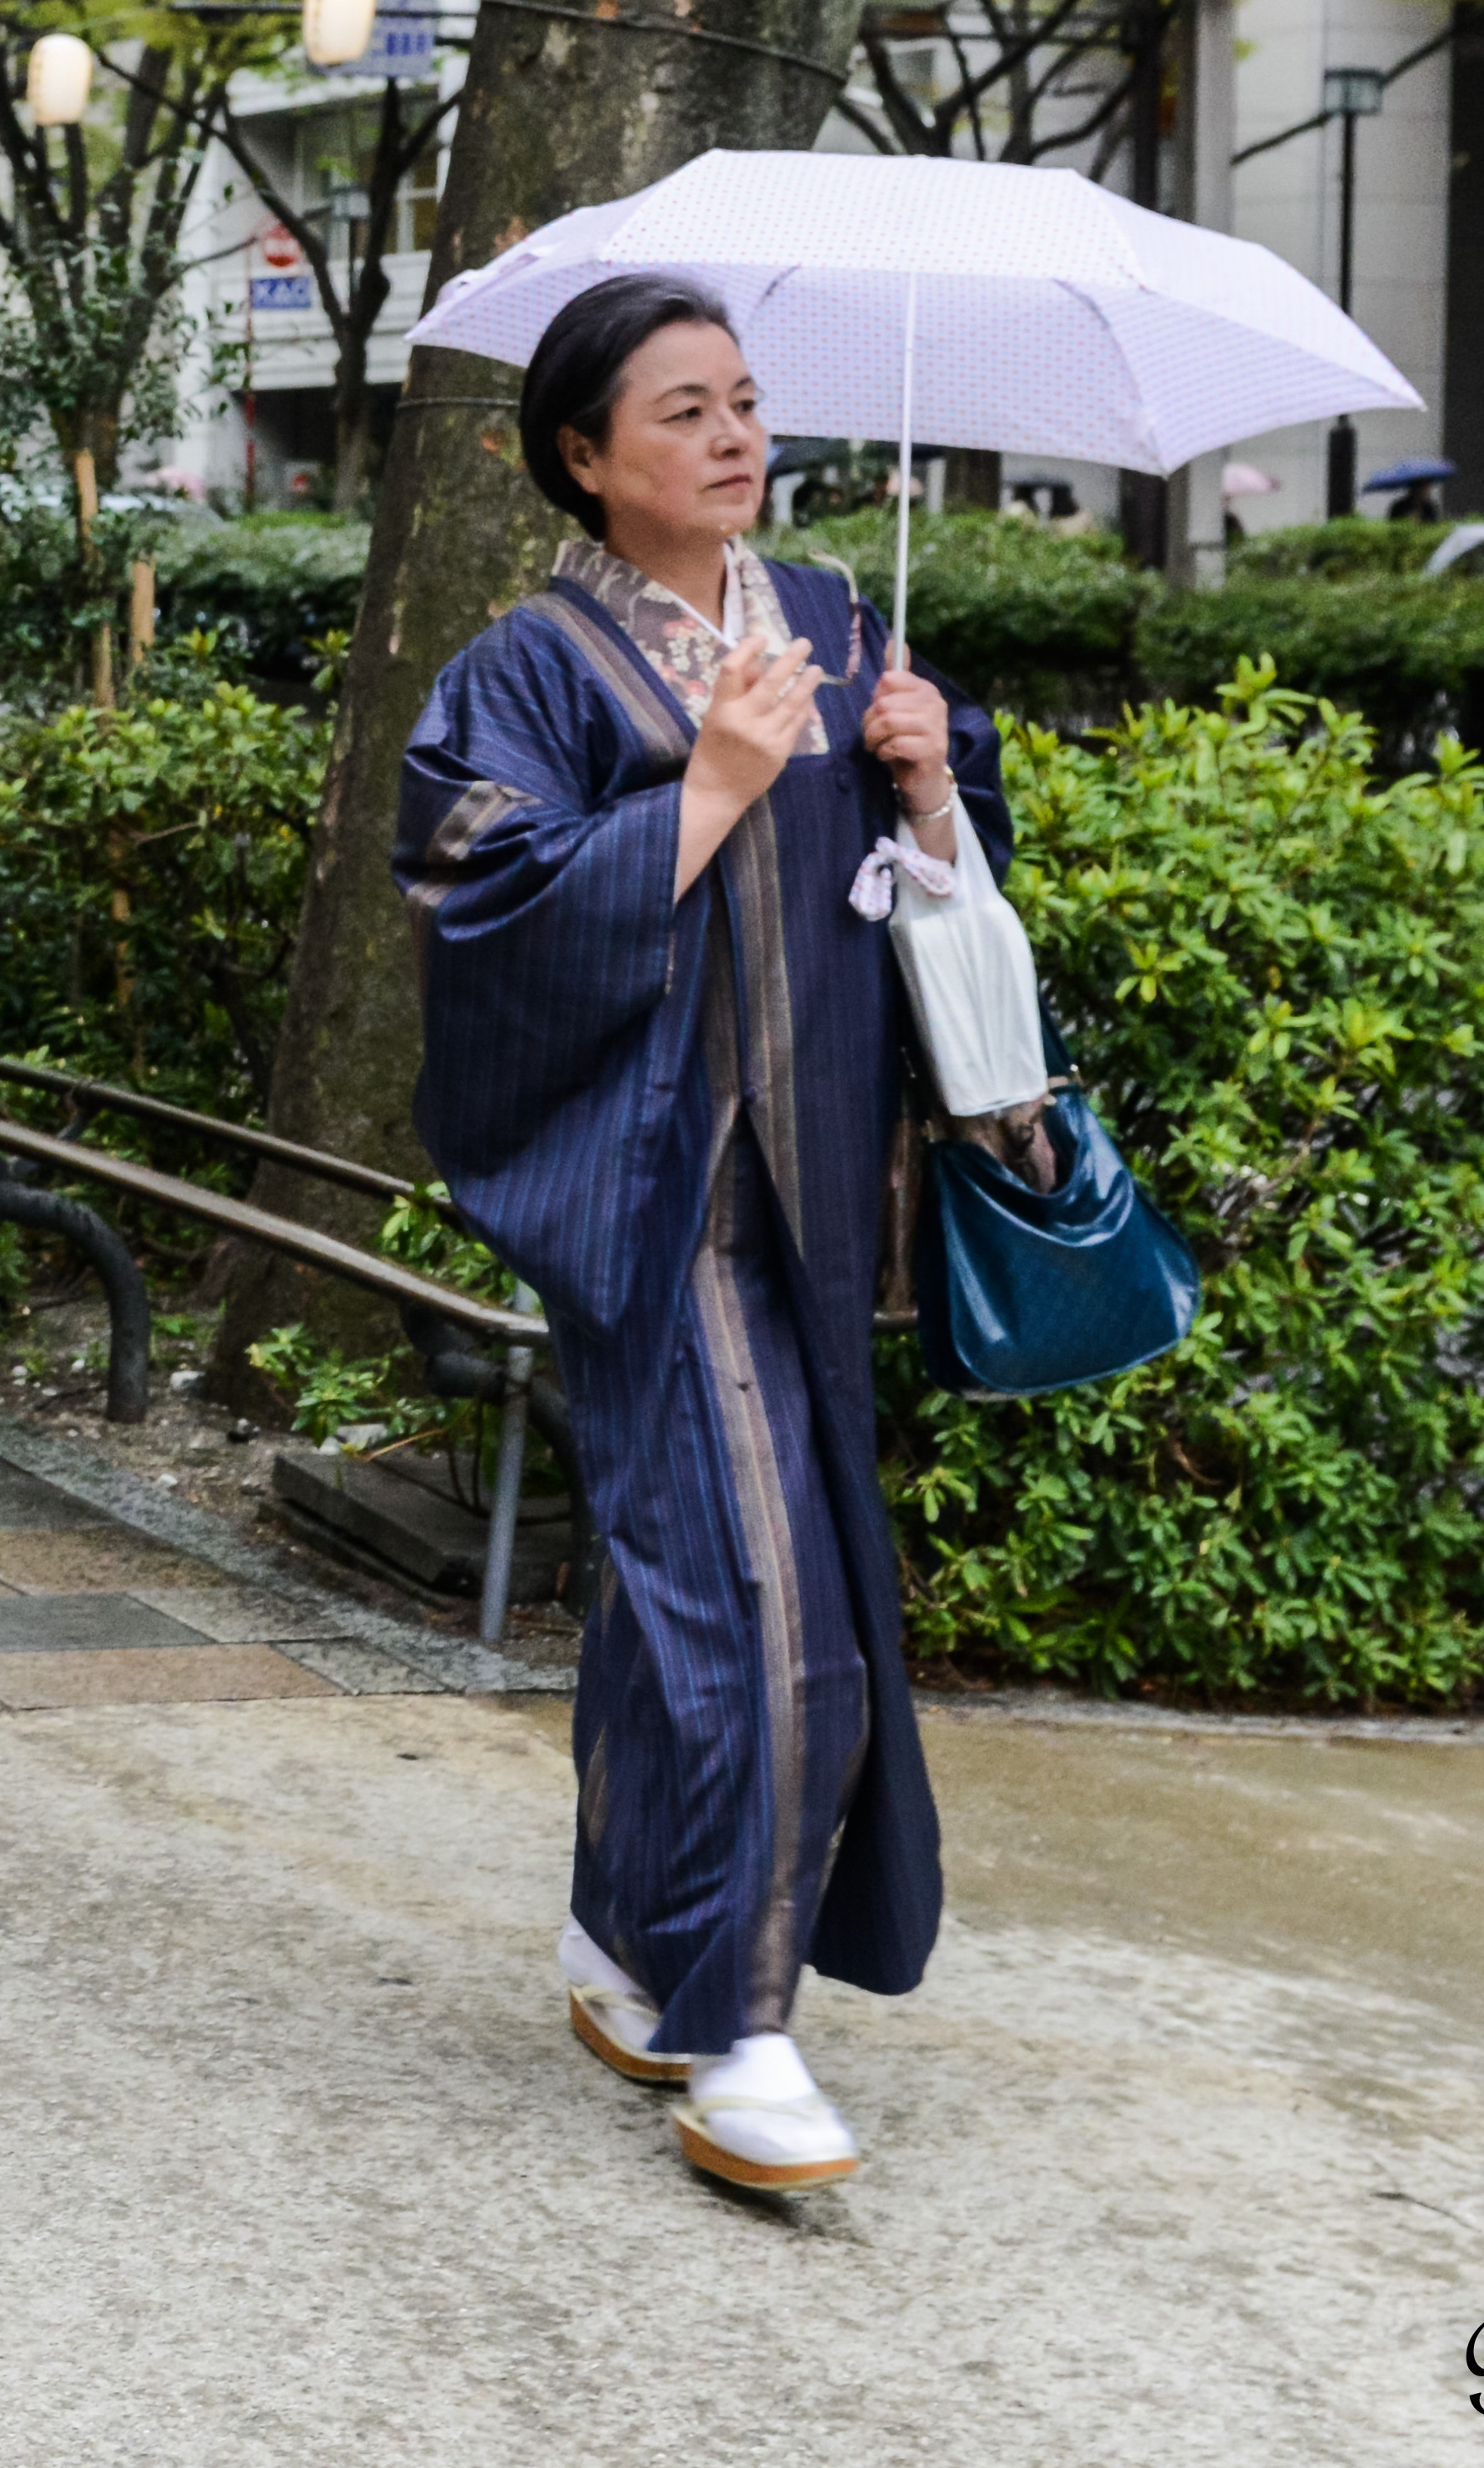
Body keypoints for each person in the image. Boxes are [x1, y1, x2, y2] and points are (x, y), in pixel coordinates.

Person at [393, 273, 1001, 2200]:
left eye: (743, 400)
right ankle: (742, 2025)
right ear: (584, 455)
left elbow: (928, 904)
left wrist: (924, 781)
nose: (734, 435)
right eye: (681, 409)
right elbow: (479, 910)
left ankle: (617, 1931)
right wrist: (721, 777)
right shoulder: (533, 668)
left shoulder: (828, 617)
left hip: (826, 1202)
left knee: (689, 1584)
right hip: (657, 1207)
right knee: (774, 1614)